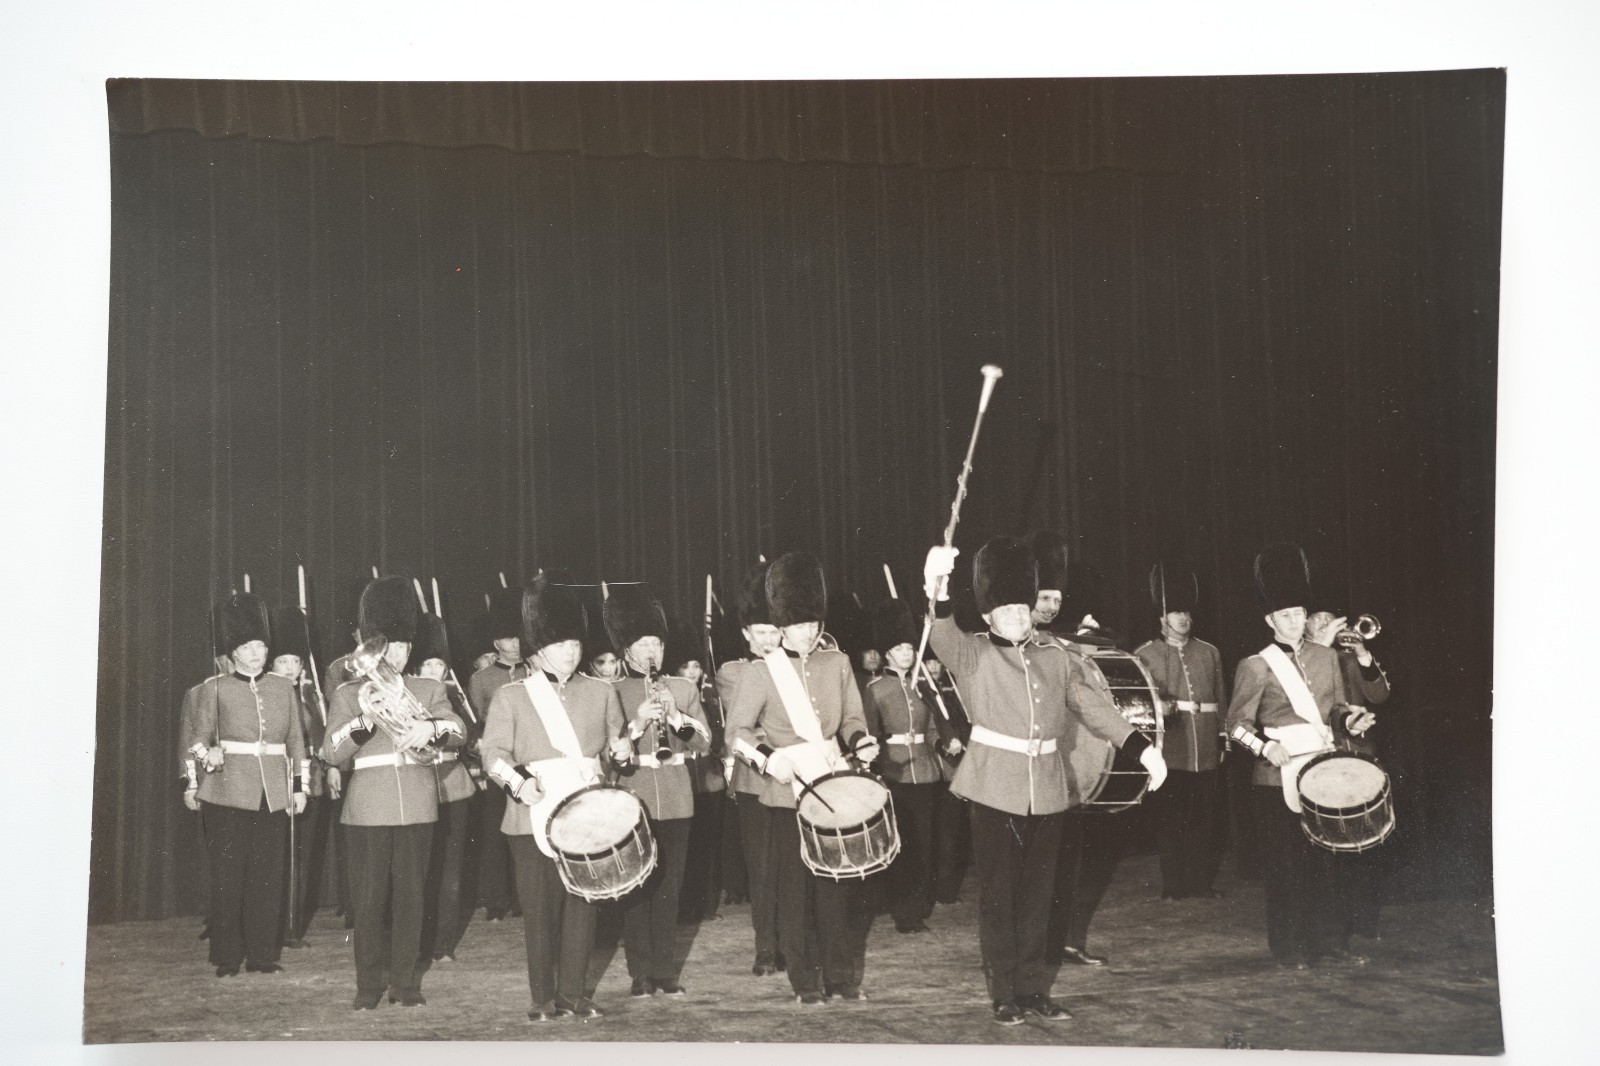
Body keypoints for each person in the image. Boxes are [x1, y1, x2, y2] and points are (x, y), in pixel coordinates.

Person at [923, 537, 1168, 1025]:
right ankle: (1004, 992)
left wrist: (1141, 748)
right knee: (1000, 896)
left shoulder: (1055, 655)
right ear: (988, 615)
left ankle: (1034, 990)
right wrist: (937, 585)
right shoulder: (972, 654)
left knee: (1039, 896)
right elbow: (939, 631)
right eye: (1005, 608)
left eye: (1021, 606)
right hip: (994, 787)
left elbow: (1093, 707)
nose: (1015, 615)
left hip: (1049, 788)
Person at [726, 552, 880, 1005]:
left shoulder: (837, 663)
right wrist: (768, 758)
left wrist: (861, 741)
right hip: (785, 791)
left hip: (830, 784)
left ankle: (840, 976)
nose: (808, 632)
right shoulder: (761, 671)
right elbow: (737, 732)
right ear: (781, 624)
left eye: (813, 622)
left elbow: (852, 717)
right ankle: (804, 979)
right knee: (794, 890)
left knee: (834, 885)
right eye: (798, 624)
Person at [481, 577, 633, 1022]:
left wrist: (622, 753)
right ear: (538, 648)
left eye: (574, 642)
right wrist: (518, 783)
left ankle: (573, 994)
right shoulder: (512, 696)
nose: (571, 651)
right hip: (532, 815)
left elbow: (614, 750)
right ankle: (542, 998)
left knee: (583, 907)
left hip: (586, 811)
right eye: (560, 643)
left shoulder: (601, 691)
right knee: (541, 910)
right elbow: (492, 754)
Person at [322, 577, 465, 1010]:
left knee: (411, 900)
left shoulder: (428, 689)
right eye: (390, 646)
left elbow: (458, 732)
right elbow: (330, 751)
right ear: (373, 647)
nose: (398, 655)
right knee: (368, 903)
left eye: (405, 645)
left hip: (419, 805)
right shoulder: (349, 693)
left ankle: (406, 983)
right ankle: (368, 986)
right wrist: (365, 720)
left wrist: (431, 728)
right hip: (367, 807)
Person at [1225, 543, 1370, 969]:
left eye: (1299, 614)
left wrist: (1352, 722)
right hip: (1278, 775)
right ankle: (1289, 946)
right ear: (1270, 620)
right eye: (1285, 616)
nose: (1294, 622)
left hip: (1324, 768)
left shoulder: (1327, 658)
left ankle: (1328, 940)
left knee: (1326, 859)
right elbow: (1235, 725)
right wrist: (1264, 746)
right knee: (1286, 865)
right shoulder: (1255, 665)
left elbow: (1338, 711)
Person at [180, 592, 308, 977]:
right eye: (248, 646)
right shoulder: (214, 688)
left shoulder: (283, 688)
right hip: (228, 792)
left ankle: (262, 955)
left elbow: (297, 740)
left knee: (267, 879)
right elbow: (197, 739)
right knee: (229, 878)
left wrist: (299, 787)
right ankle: (227, 955)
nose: (256, 653)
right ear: (233, 652)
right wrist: (208, 756)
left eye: (261, 645)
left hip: (272, 792)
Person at [604, 586, 712, 996]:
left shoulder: (682, 688)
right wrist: (637, 723)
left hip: (676, 792)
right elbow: (607, 755)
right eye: (642, 644)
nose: (652, 651)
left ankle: (664, 970)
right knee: (637, 887)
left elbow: (703, 742)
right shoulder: (611, 690)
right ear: (627, 652)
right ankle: (639, 972)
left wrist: (675, 715)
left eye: (657, 643)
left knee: (670, 886)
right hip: (634, 794)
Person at [1029, 531, 1123, 970]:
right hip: (1027, 772)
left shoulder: (1069, 642)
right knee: (1035, 868)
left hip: (1070, 769)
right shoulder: (1013, 643)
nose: (1051, 606)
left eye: (1056, 598)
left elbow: (1105, 660)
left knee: (1070, 863)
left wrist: (1091, 635)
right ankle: (1031, 949)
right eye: (1043, 598)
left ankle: (1065, 941)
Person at [1134, 560, 1228, 901]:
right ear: (1162, 619)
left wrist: (1223, 738)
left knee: (1203, 820)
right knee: (1171, 822)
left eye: (1186, 612)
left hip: (1205, 746)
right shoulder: (1145, 654)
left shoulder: (1209, 652)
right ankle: (1174, 885)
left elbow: (1221, 700)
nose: (1183, 618)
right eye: (1175, 612)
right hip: (1170, 747)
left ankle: (1200, 884)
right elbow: (1141, 707)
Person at [1306, 603, 1392, 940]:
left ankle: (1364, 921)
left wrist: (1362, 653)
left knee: (1365, 843)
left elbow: (1380, 694)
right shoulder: (1306, 663)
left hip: (1361, 754)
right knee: (1332, 846)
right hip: (1327, 756)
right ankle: (1335, 924)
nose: (1331, 626)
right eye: (1321, 622)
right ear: (1308, 631)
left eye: (1332, 620)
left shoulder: (1349, 658)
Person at [863, 600, 944, 934]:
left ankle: (918, 905)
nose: (908, 653)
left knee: (924, 843)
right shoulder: (877, 689)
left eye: (910, 647)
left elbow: (934, 729)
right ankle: (902, 909)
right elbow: (869, 732)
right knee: (899, 844)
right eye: (900, 648)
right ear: (888, 653)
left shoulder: (923, 686)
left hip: (925, 771)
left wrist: (942, 744)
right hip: (894, 772)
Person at [719, 562, 784, 976]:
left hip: (799, 778)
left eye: (775, 632)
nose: (768, 640)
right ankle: (766, 948)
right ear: (746, 634)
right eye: (760, 632)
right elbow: (746, 725)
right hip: (755, 779)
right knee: (763, 867)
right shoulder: (732, 672)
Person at [410, 613, 477, 964]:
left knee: (449, 872)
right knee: (419, 869)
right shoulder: (404, 694)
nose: (434, 670)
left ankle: (443, 943)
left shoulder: (457, 696)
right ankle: (416, 941)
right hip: (416, 786)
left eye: (439, 664)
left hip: (452, 786)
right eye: (428, 664)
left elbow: (472, 737)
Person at [268, 605, 332, 947]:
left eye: (295, 662)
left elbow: (321, 738)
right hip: (278, 783)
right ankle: (273, 924)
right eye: (283, 662)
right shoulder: (266, 696)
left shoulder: (312, 697)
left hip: (312, 784)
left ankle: (293, 926)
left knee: (303, 856)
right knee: (278, 857)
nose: (291, 668)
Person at [466, 588, 527, 923]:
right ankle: (496, 899)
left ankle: (523, 896)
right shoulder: (482, 678)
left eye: (517, 636)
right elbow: (474, 721)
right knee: (495, 832)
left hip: (530, 760)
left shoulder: (534, 672)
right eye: (506, 637)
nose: (514, 644)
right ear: (495, 642)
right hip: (498, 764)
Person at [677, 652, 729, 924]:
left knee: (707, 844)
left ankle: (706, 905)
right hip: (683, 775)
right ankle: (684, 908)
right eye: (685, 665)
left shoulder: (710, 698)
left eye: (696, 666)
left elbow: (718, 734)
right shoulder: (675, 696)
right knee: (686, 846)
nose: (691, 671)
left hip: (708, 777)